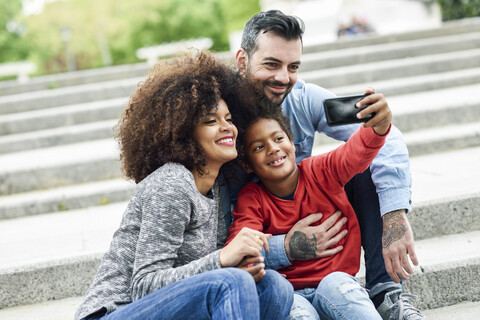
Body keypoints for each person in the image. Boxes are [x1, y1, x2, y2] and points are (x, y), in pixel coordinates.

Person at [226, 10, 426, 320]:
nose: (283, 78)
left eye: (292, 67)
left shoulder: (303, 98)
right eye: (271, 64)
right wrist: (285, 247)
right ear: (242, 60)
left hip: (309, 213)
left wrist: (394, 217)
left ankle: (385, 292)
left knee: (365, 166)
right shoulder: (216, 114)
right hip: (246, 231)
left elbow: (385, 139)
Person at [74, 50, 293, 320]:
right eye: (211, 121)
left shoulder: (218, 188)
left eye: (229, 119)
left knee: (275, 287)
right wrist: (223, 259)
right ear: (183, 134)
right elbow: (144, 286)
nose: (227, 128)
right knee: (230, 282)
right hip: (115, 313)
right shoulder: (172, 183)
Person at [226, 91, 391, 319]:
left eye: (278, 139)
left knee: (344, 291)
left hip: (336, 282)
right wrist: (276, 255)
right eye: (258, 147)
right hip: (291, 293)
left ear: (292, 143)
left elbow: (355, 153)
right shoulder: (251, 198)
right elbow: (242, 245)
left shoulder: (321, 170)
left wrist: (378, 128)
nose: (273, 148)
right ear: (247, 165)